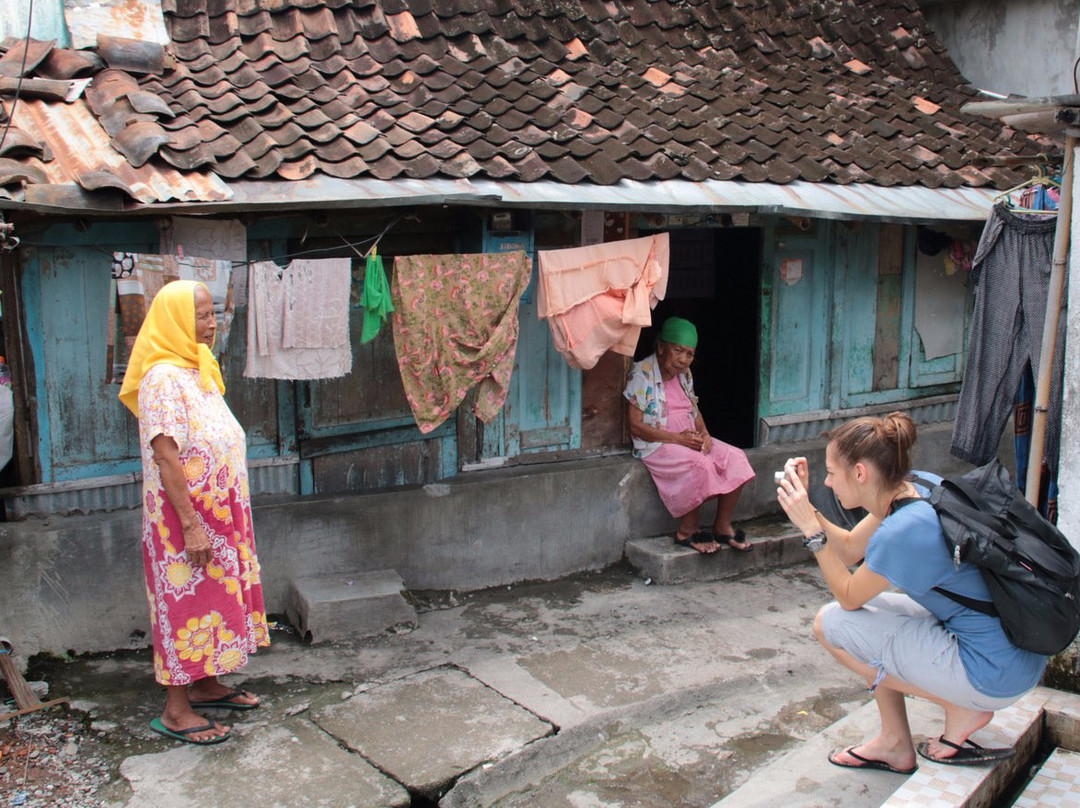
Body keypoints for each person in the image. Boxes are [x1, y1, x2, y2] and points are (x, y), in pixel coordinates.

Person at [776, 412, 1047, 773]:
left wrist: (811, 531)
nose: (827, 483)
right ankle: (894, 742)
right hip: (1016, 652)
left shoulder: (904, 529)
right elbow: (850, 548)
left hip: (993, 671)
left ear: (860, 473)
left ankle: (961, 709)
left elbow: (849, 595)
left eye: (830, 473)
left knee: (832, 624)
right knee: (870, 622)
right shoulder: (918, 488)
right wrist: (806, 507)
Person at [119, 280, 269, 745]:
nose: (211, 323)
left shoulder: (195, 369)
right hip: (186, 525)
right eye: (201, 315)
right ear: (175, 321)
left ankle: (205, 688)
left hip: (220, 520)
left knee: (211, 605)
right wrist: (192, 526)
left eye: (212, 314)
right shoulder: (162, 377)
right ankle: (176, 709)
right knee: (183, 609)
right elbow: (167, 456)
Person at [624, 316, 756, 554]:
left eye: (690, 354)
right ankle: (687, 531)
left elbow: (693, 408)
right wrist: (678, 439)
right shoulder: (641, 373)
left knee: (736, 457)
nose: (684, 360)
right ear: (662, 348)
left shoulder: (685, 374)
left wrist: (705, 434)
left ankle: (722, 526)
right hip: (656, 443)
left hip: (688, 439)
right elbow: (635, 426)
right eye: (678, 351)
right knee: (699, 464)